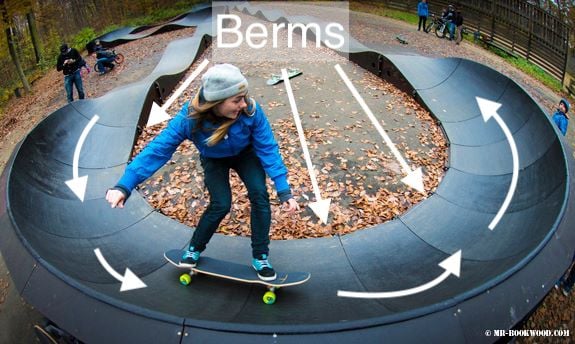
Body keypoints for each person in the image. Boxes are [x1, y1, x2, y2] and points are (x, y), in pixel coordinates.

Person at [105, 64, 299, 281]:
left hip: (246, 155)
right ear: (217, 102)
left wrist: (283, 189)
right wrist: (125, 184)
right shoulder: (190, 118)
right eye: (236, 100)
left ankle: (261, 256)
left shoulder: (251, 111)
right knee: (221, 203)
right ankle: (194, 248)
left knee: (259, 195)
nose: (243, 104)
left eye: (243, 97)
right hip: (214, 159)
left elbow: (268, 148)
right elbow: (159, 149)